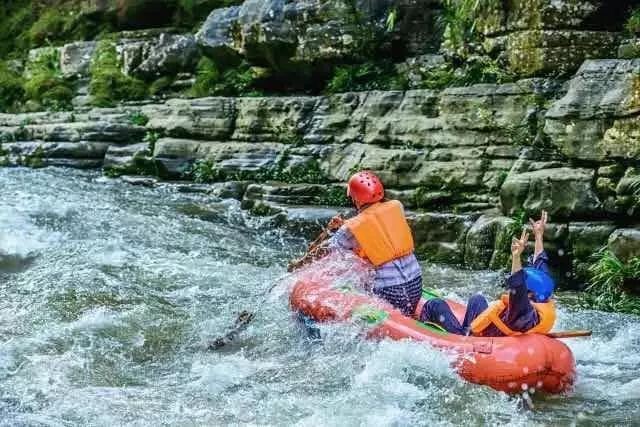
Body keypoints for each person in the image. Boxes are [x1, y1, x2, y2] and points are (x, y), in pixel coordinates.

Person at [291, 170, 423, 316]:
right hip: (416, 286)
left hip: (391, 293)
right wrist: (347, 226)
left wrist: (300, 263)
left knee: (353, 280)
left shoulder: (350, 228)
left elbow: (323, 250)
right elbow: (379, 227)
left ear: (356, 200)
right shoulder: (397, 206)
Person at [420, 210, 556, 336]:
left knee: (435, 304)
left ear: (529, 294)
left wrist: (516, 257)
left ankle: (427, 332)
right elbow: (540, 264)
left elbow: (518, 284)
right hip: (486, 329)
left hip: (475, 339)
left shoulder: (523, 311)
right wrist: (538, 236)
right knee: (477, 299)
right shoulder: (541, 300)